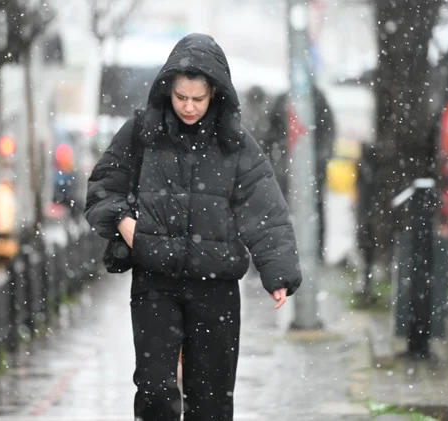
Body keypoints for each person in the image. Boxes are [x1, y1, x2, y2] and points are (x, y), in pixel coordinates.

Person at [83, 33, 302, 421]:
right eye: (180, 96)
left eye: (197, 99)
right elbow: (104, 187)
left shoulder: (237, 145)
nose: (187, 106)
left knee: (212, 399)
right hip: (155, 281)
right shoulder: (142, 132)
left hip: (216, 286)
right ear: (168, 90)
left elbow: (264, 210)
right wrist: (126, 225)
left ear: (215, 94)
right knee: (153, 390)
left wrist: (278, 271)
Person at [264, 84, 336, 262]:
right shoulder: (284, 98)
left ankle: (315, 253)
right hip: (284, 169)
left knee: (315, 210)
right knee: (280, 211)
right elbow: (270, 134)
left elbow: (328, 132)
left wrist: (319, 161)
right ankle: (279, 253)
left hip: (312, 170)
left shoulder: (317, 99)